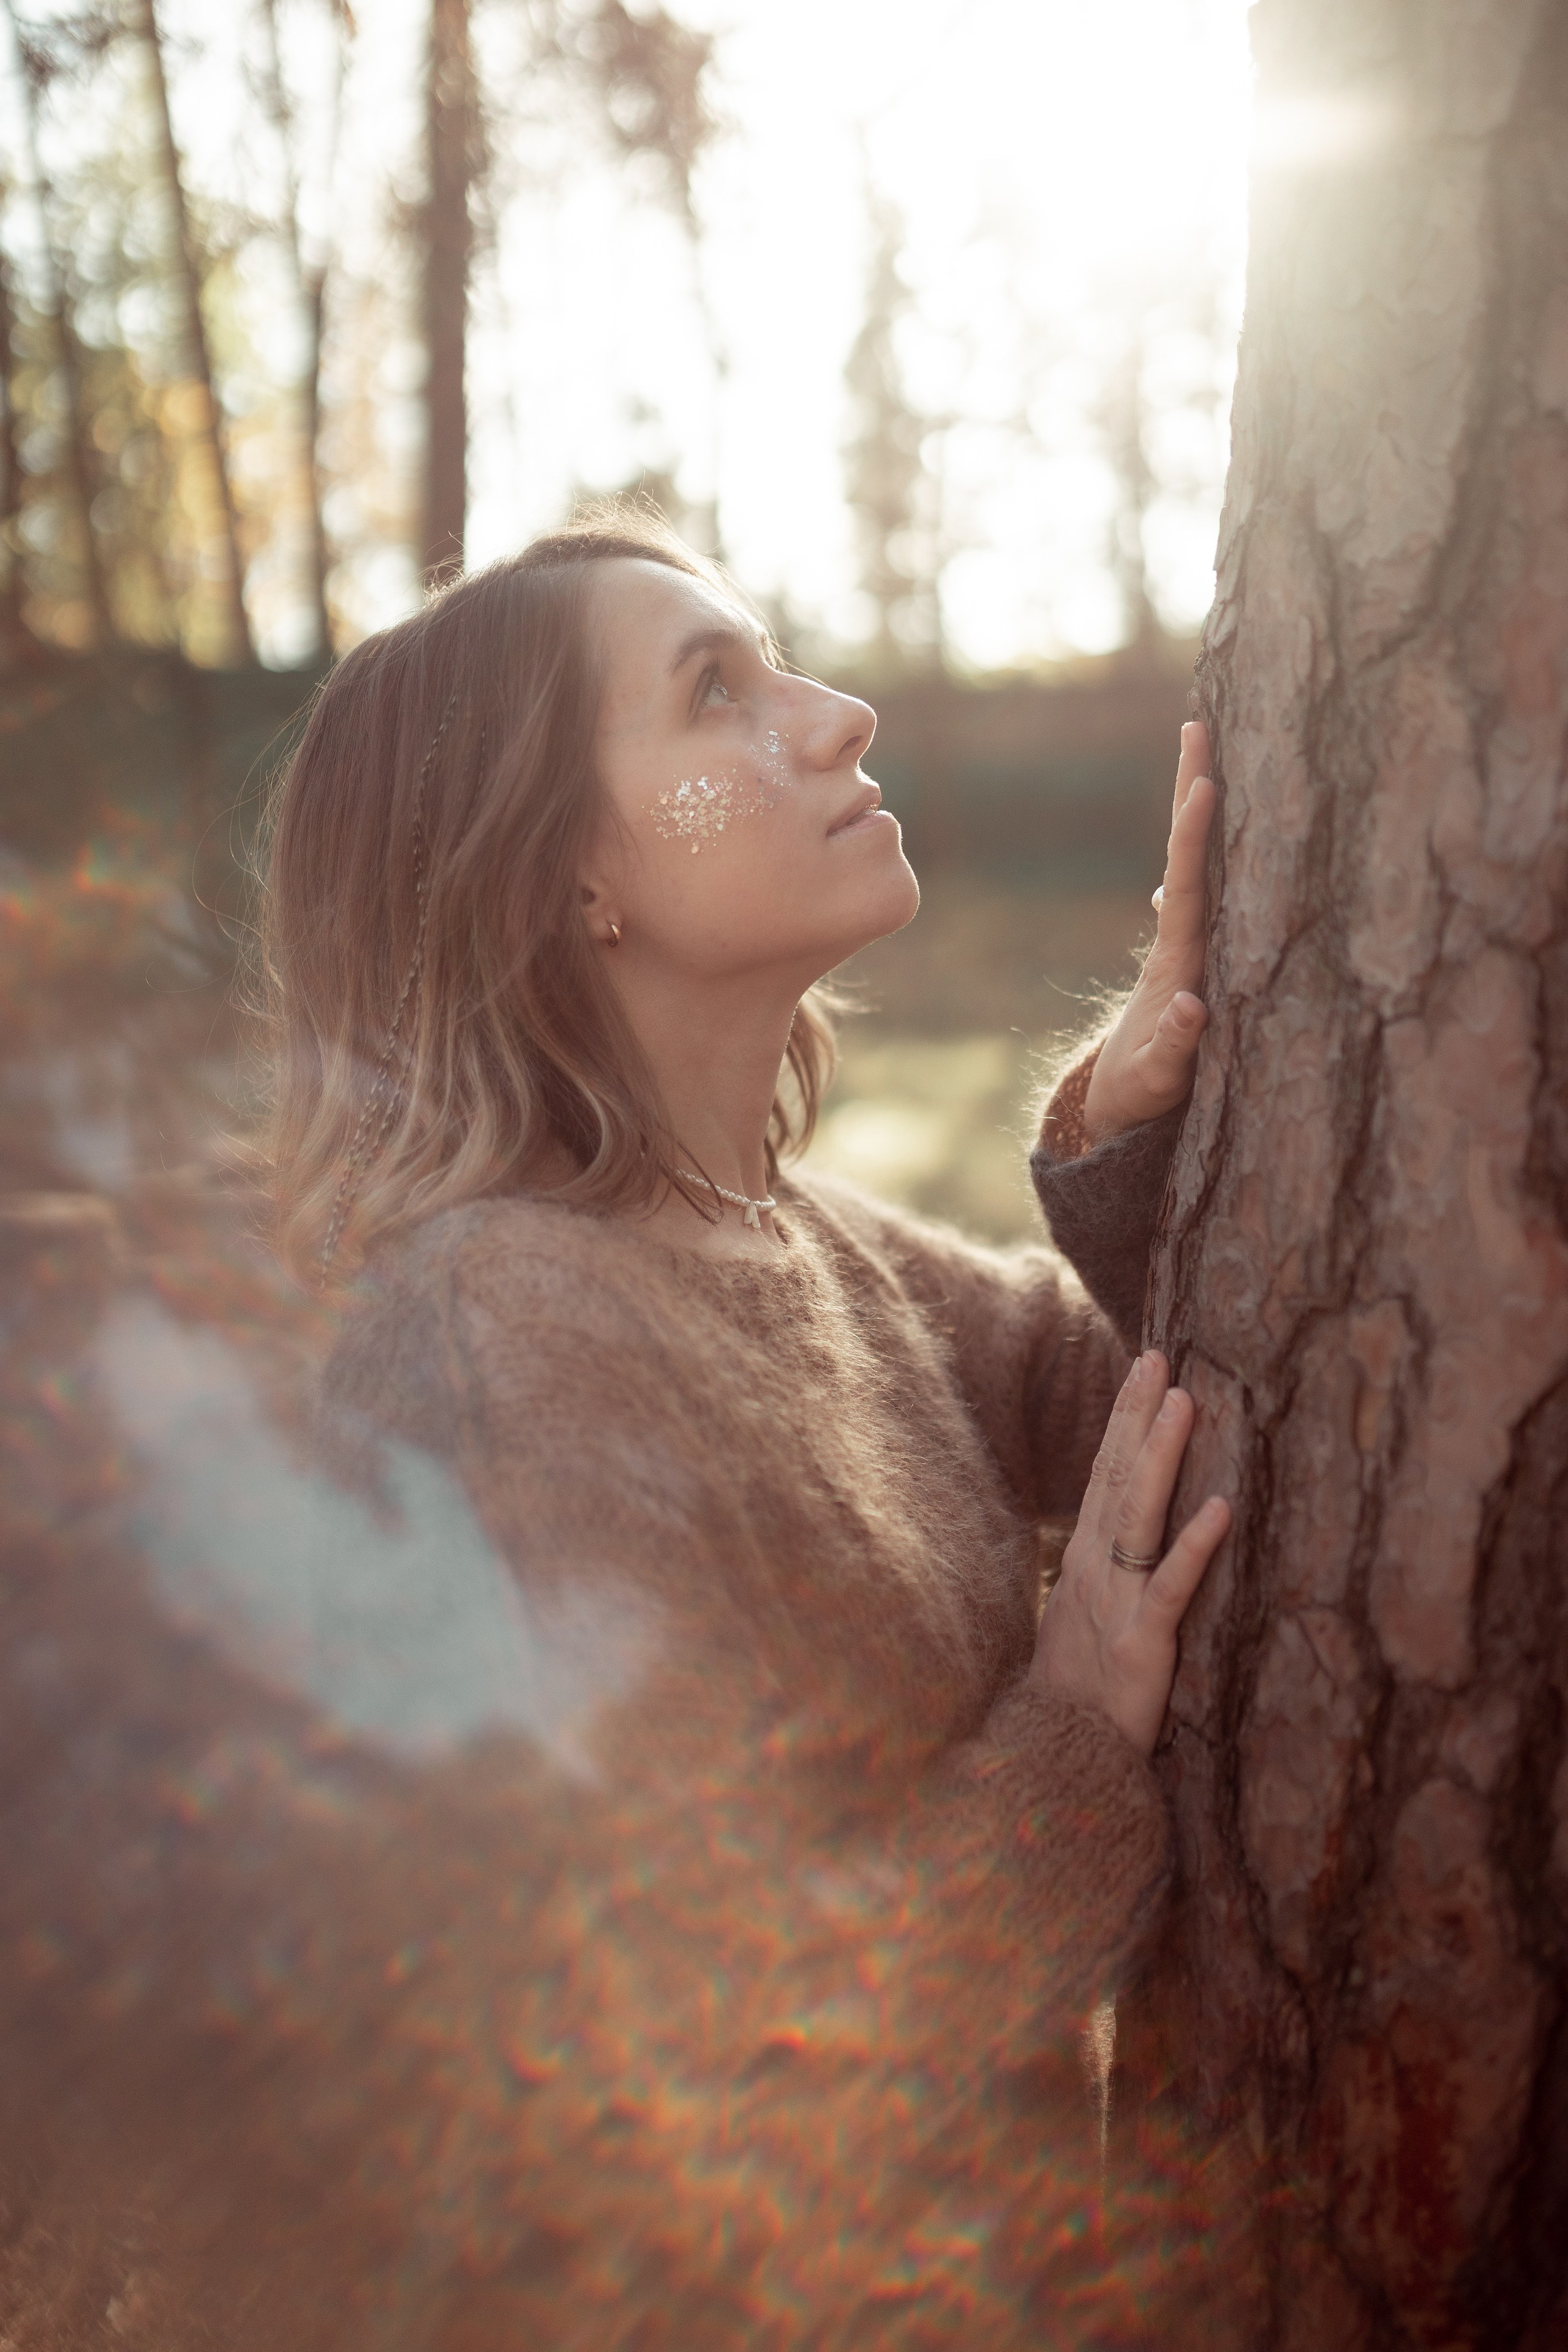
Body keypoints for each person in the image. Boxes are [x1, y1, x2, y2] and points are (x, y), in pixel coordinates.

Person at [2, 508, 1229, 2349]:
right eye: (717, 696)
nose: (837, 720)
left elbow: (1129, 1409)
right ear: (564, 875)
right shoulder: (507, 1335)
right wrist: (1071, 1731)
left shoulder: (785, 1238)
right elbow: (728, 2055)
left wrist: (1136, 1130)